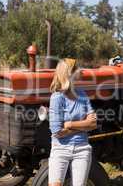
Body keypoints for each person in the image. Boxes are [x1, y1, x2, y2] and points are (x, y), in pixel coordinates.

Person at [48, 58, 97, 186]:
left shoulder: (82, 93)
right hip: (60, 149)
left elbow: (93, 124)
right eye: (78, 68)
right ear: (70, 73)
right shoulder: (57, 97)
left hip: (82, 147)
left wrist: (69, 124)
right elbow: (57, 132)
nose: (81, 71)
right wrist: (83, 126)